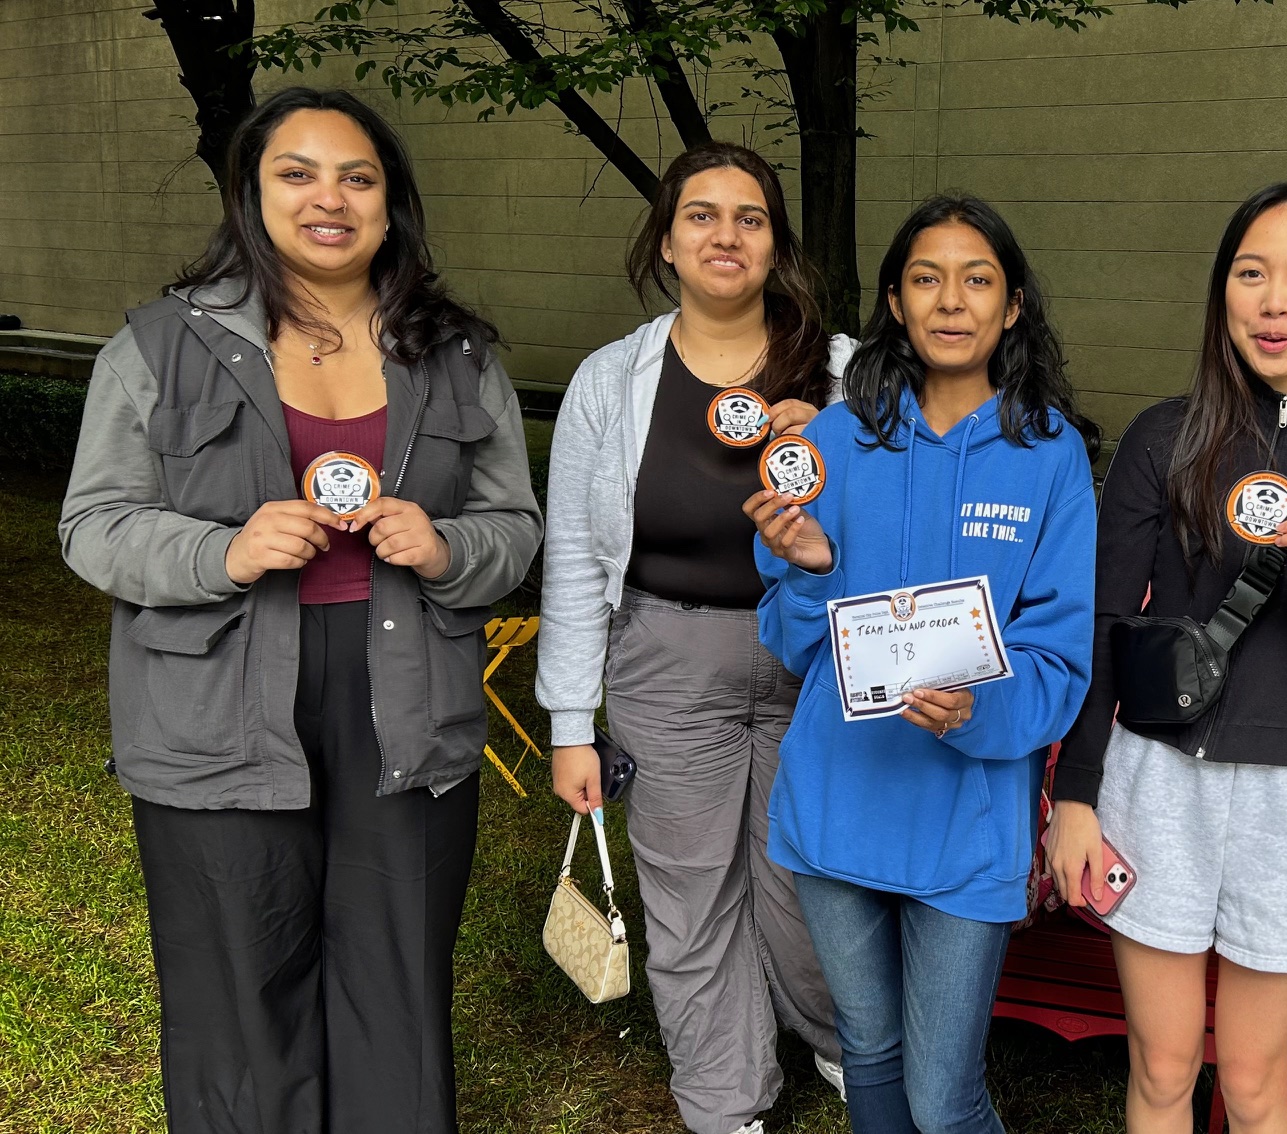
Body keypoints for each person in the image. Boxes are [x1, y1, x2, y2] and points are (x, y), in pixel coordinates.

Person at [58, 87, 541, 1133]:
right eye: (298, 172)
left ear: (390, 202)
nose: (331, 198)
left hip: (404, 699)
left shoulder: (456, 354)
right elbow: (92, 525)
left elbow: (515, 527)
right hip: (217, 705)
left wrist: (448, 547)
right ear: (251, 192)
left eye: (358, 177)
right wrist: (222, 551)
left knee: (395, 982)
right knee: (241, 984)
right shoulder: (159, 346)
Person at [1043, 182, 1287, 1133]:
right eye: (1251, 274)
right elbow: (1102, 622)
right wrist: (1076, 797)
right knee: (1162, 1071)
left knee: (1256, 1087)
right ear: (1222, 290)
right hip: (1157, 780)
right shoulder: (1165, 438)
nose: (1274, 301)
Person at [742, 194, 1098, 1134]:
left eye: (977, 280)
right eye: (926, 279)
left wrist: (982, 709)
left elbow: (1061, 656)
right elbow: (791, 641)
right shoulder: (831, 441)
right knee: (868, 1052)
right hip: (839, 799)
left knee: (943, 1100)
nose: (951, 300)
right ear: (895, 303)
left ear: (1011, 306)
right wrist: (810, 569)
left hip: (966, 816)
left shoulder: (1050, 455)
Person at [536, 142, 847, 1134]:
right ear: (666, 242)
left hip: (817, 661)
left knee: (811, 881)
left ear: (776, 244)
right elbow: (575, 559)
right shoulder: (609, 381)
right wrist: (569, 724)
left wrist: (839, 447)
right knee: (690, 892)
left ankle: (841, 1038)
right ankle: (726, 1099)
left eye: (750, 217)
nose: (726, 235)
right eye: (700, 215)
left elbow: (902, 529)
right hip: (665, 661)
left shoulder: (846, 374)